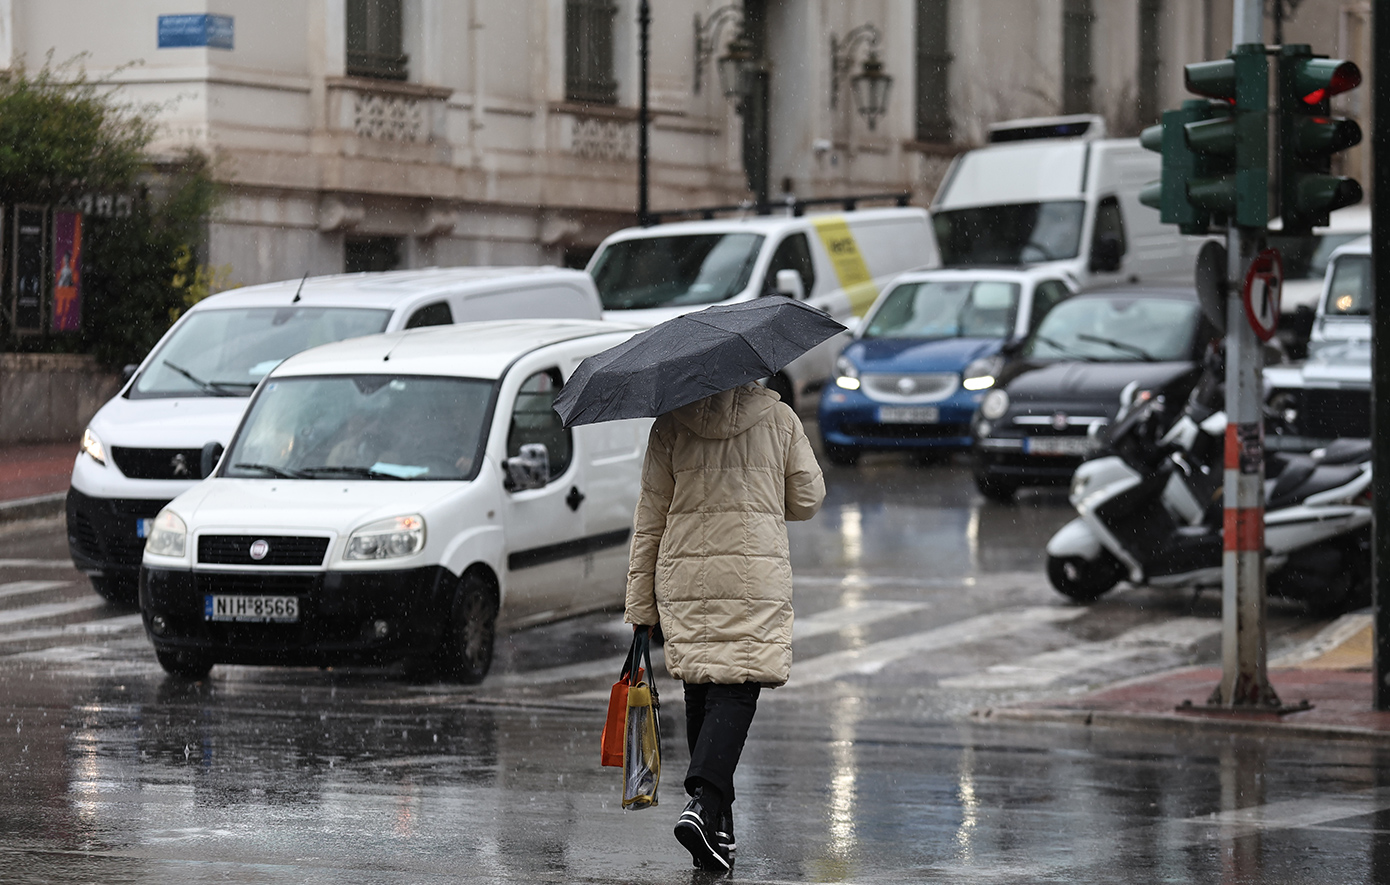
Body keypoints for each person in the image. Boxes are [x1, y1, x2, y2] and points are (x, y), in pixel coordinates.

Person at [624, 382, 825, 872]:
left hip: (686, 574)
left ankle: (717, 825)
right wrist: (761, 488)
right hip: (752, 573)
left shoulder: (671, 425)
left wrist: (641, 606)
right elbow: (807, 498)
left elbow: (650, 518)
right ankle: (703, 804)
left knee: (702, 687)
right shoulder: (779, 420)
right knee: (737, 688)